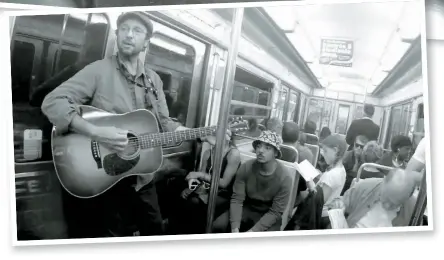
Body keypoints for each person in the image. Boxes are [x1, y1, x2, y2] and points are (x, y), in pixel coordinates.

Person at [41, 12, 228, 237]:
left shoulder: (154, 80)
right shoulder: (99, 70)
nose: (129, 35)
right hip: (106, 179)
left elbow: (165, 124)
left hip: (141, 178)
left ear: (146, 41)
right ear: (117, 34)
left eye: (137, 31)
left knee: (155, 230)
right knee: (110, 235)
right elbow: (52, 102)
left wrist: (202, 134)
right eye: (124, 29)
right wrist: (97, 132)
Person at [212, 130, 292, 233]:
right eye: (259, 146)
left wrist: (253, 232)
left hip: (268, 213)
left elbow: (275, 212)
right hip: (247, 207)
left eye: (267, 148)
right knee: (218, 226)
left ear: (275, 153)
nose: (261, 151)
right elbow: (237, 199)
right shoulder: (246, 167)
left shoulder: (285, 177)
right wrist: (234, 227)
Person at [172, 134, 241, 234]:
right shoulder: (208, 153)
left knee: (194, 203)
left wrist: (199, 175)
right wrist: (190, 189)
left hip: (223, 194)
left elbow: (224, 183)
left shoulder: (233, 154)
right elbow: (201, 179)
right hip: (207, 189)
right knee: (177, 190)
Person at [30, 23, 106, 107]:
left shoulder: (79, 72)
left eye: (86, 40)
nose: (83, 45)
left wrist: (76, 67)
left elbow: (38, 96)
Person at [328, 168, 418, 228]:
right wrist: (338, 204)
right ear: (383, 181)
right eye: (386, 198)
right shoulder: (365, 187)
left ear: (407, 198)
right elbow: (341, 202)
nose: (387, 206)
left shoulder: (413, 209)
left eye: (394, 204)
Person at [302, 134, 347, 228]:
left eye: (325, 151)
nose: (323, 153)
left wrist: (309, 182)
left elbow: (318, 201)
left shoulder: (332, 175)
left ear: (335, 150)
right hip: (326, 215)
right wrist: (321, 177)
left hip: (319, 217)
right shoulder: (341, 170)